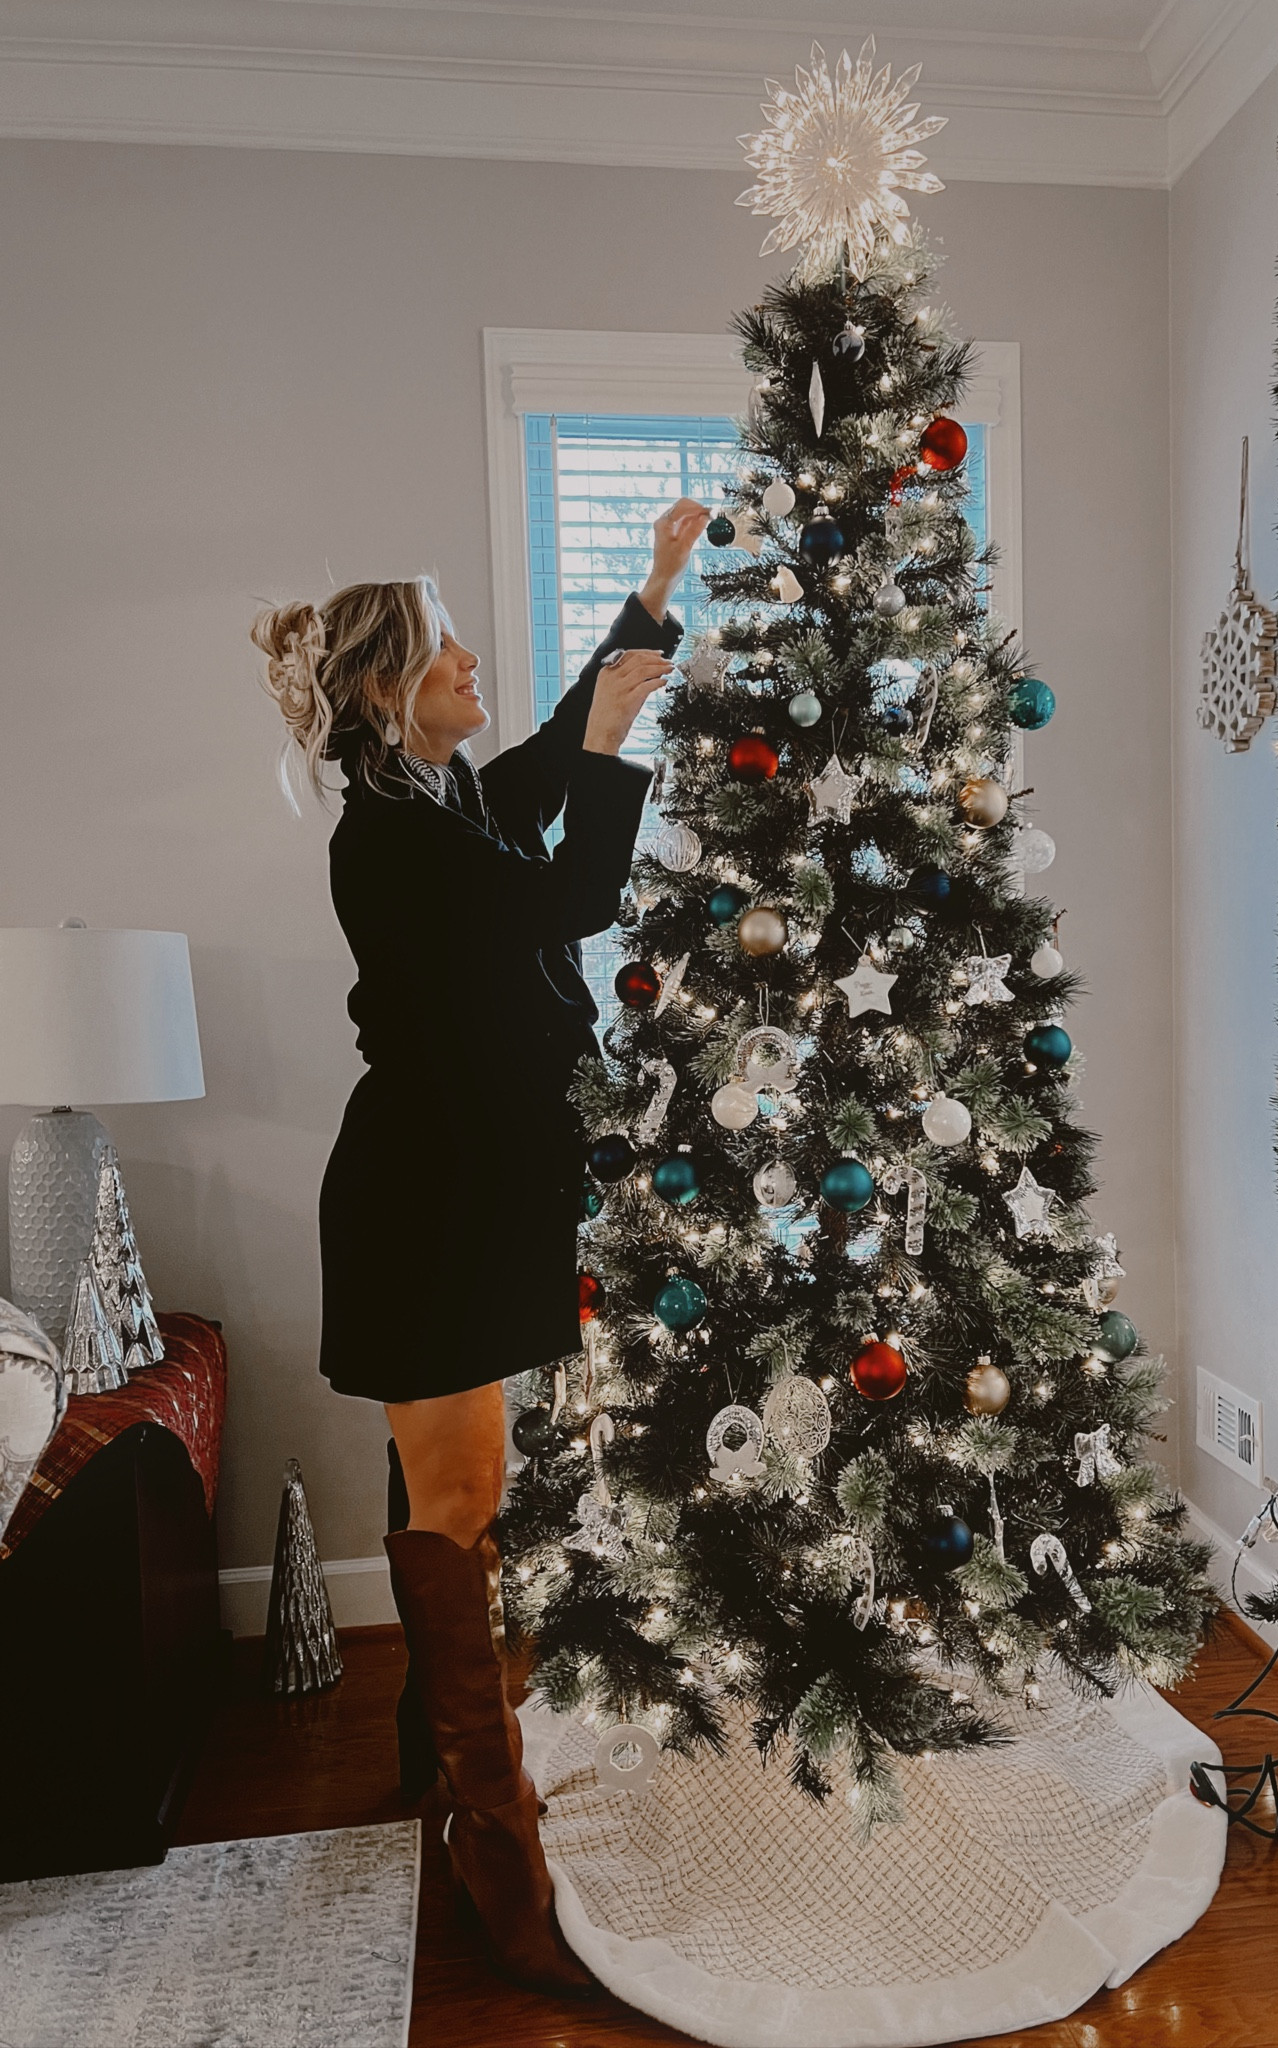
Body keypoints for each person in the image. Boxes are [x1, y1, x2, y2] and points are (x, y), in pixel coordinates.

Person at [253, 498, 709, 1990]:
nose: (470, 662)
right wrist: (617, 747)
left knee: (442, 1491)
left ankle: (432, 1775)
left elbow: (559, 741)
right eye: (447, 647)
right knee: (460, 1504)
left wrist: (654, 590)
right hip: (428, 1206)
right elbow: (574, 892)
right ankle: (503, 1876)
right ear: (392, 688)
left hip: (469, 1194)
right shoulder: (394, 838)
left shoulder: (444, 804)